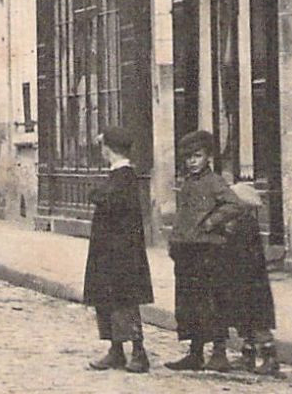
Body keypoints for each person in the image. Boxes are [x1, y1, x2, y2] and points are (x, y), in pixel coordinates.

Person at [165, 129, 246, 372]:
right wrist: (175, 240)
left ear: (207, 157)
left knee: (212, 301)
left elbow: (235, 204)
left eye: (197, 156)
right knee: (189, 302)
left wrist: (211, 222)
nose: (192, 161)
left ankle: (219, 352)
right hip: (187, 249)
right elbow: (183, 216)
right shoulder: (188, 183)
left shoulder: (215, 181)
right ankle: (195, 352)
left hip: (208, 250)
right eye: (188, 157)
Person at [82, 125, 152, 374]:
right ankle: (116, 351)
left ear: (107, 150)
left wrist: (96, 194)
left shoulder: (124, 177)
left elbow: (111, 203)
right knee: (107, 300)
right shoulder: (117, 177)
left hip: (122, 252)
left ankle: (139, 353)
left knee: (124, 302)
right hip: (109, 251)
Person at [222, 181, 278, 375]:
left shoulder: (245, 225)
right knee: (243, 320)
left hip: (251, 281)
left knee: (257, 321)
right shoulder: (237, 223)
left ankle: (270, 357)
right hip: (241, 279)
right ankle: (248, 355)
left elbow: (245, 255)